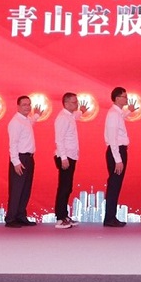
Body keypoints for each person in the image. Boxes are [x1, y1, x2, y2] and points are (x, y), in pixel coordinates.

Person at [53, 92, 88, 229]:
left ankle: (64, 216)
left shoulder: (70, 116)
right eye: (74, 102)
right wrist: (63, 157)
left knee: (67, 187)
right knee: (64, 187)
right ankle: (60, 218)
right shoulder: (62, 118)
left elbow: (76, 115)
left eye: (76, 102)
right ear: (66, 103)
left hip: (71, 156)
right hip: (65, 156)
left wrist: (82, 111)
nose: (76, 104)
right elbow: (59, 139)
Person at [104, 87, 137, 228]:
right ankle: (109, 218)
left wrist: (129, 111)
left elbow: (121, 118)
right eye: (124, 97)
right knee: (114, 185)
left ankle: (111, 216)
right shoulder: (113, 114)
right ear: (117, 98)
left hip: (118, 151)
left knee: (116, 185)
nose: (126, 99)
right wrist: (118, 159)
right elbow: (112, 139)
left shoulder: (117, 113)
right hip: (116, 151)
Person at [6, 95, 39, 228]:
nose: (27, 107)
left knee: (25, 189)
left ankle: (20, 215)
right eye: (24, 105)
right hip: (20, 159)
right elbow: (13, 143)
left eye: (29, 104)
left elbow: (31, 122)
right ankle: (11, 218)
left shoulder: (26, 120)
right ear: (18, 106)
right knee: (17, 189)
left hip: (29, 158)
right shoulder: (15, 122)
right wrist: (16, 162)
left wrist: (36, 115)